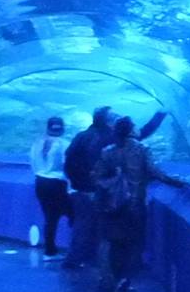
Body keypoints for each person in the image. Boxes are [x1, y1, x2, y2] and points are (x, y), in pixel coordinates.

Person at [93, 116, 185, 292]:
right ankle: (124, 283)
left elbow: (97, 176)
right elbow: (155, 172)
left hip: (113, 206)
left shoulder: (108, 151)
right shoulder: (141, 149)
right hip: (134, 206)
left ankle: (116, 280)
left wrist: (113, 184)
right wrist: (175, 181)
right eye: (134, 126)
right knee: (133, 245)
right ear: (130, 130)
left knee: (116, 245)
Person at [62, 106, 167, 270]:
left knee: (81, 225)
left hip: (79, 190)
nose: (116, 118)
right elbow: (139, 134)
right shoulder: (109, 138)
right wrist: (160, 115)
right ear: (106, 120)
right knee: (107, 232)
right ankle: (108, 269)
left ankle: (73, 260)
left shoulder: (81, 136)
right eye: (113, 116)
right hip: (100, 191)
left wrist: (76, 184)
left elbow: (68, 162)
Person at [30, 115, 71, 259]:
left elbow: (33, 163)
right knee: (74, 215)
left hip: (40, 182)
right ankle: (75, 251)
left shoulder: (37, 143)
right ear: (63, 129)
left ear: (48, 128)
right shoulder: (64, 144)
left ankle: (50, 251)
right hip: (57, 184)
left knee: (50, 218)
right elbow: (67, 166)